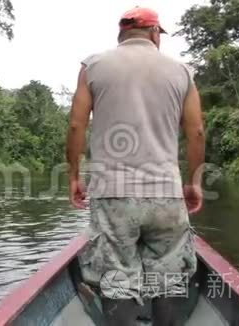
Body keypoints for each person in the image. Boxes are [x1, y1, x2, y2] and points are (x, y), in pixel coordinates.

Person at [66, 7, 205, 326]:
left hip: (112, 196)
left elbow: (76, 126)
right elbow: (196, 132)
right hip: (166, 194)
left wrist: (74, 176)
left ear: (121, 34)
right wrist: (194, 182)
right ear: (156, 34)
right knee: (169, 279)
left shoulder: (93, 65)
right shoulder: (182, 70)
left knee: (117, 278)